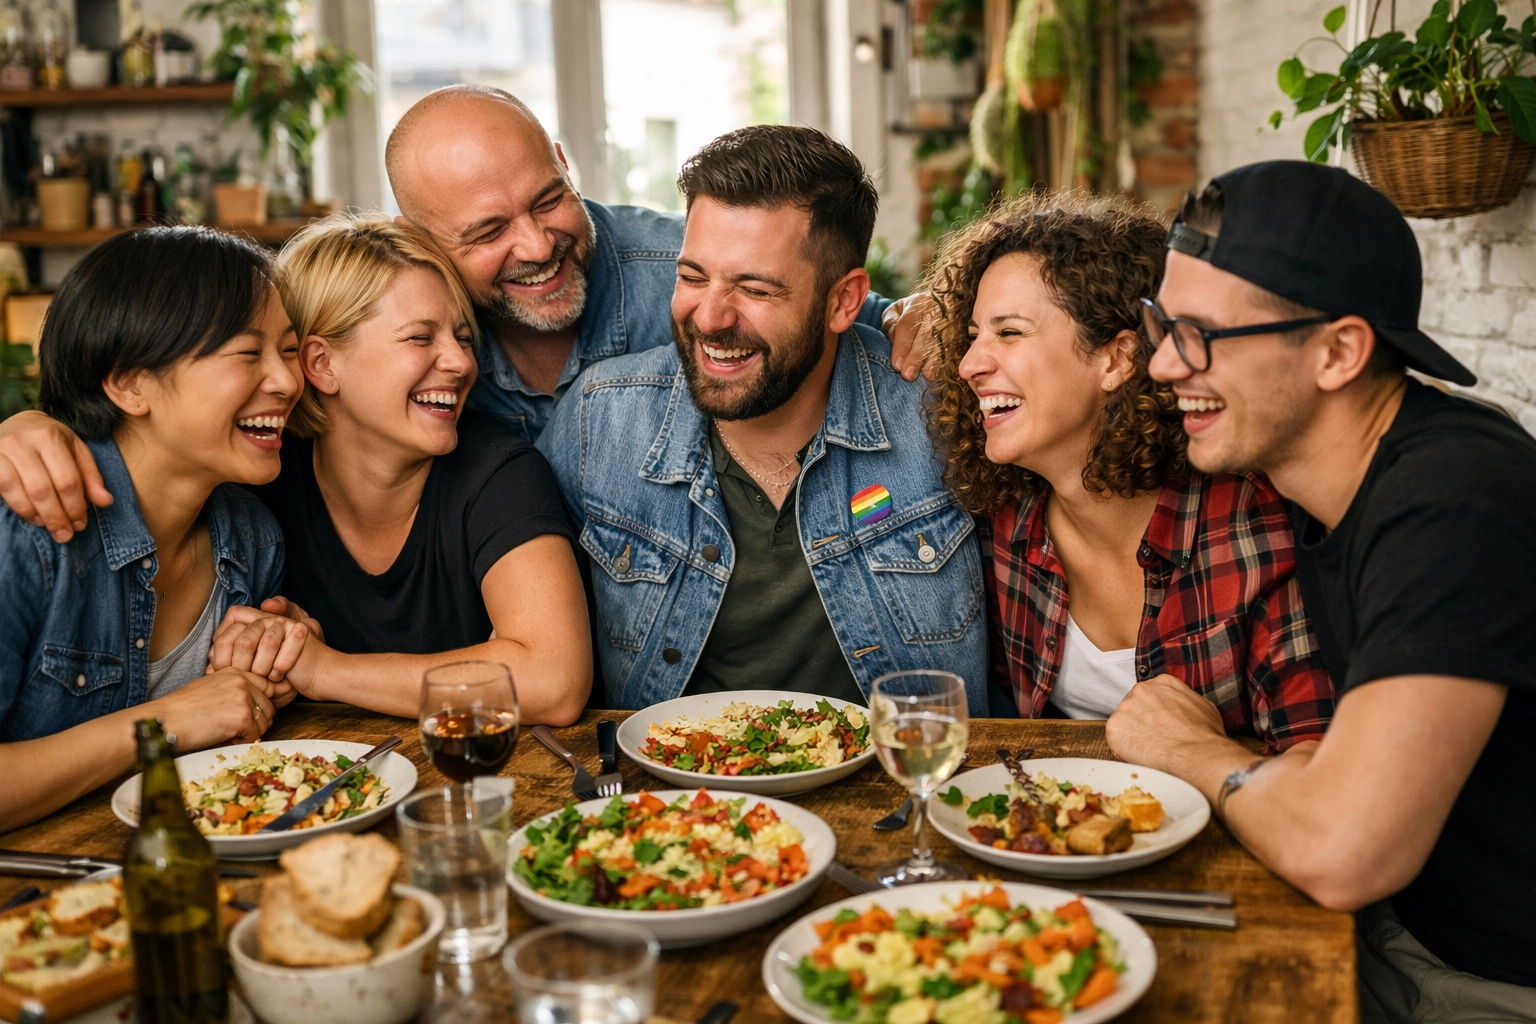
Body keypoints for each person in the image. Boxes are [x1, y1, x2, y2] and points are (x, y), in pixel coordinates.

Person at [1103, 161, 1536, 1019]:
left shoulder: (1453, 499)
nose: (1160, 366)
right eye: (1161, 325)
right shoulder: (1322, 478)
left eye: (1198, 335)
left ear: (1339, 352)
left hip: (1489, 977)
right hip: (1394, 930)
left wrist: (1188, 749)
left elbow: (1344, 851)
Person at [0, 216, 593, 726]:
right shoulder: (252, 488)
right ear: (323, 364)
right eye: (420, 337)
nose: (462, 362)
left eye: (465, 338)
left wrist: (300, 662)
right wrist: (25, 424)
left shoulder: (250, 533)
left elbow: (554, 677)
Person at [538, 125, 988, 712]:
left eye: (755, 288)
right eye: (692, 276)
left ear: (844, 301)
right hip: (677, 799)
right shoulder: (600, 421)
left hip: (905, 786)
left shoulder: (941, 415)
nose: (711, 317)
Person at [923, 191, 1332, 747]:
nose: (971, 365)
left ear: (1118, 359)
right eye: (973, 337)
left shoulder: (1246, 524)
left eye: (1010, 332)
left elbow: (1313, 765)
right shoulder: (1006, 522)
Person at [0, 226, 298, 831]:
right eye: (247, 352)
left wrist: (273, 665)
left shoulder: (252, 541)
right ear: (130, 382)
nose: (287, 381)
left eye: (289, 351)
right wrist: (165, 724)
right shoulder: (29, 527)